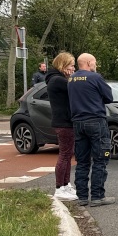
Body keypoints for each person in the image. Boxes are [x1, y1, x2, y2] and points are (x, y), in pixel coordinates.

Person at [68, 53, 114, 207]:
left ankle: (81, 197)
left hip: (78, 123)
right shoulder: (95, 78)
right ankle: (97, 196)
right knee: (100, 159)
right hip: (96, 122)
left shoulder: (71, 80)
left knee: (82, 161)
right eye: (94, 62)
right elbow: (109, 97)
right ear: (88, 63)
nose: (96, 65)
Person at [46, 51, 77, 201]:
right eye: (71, 66)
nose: (73, 69)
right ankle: (59, 188)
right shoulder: (58, 80)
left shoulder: (55, 79)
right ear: (63, 65)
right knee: (65, 155)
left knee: (67, 154)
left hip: (65, 121)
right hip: (64, 122)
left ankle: (66, 184)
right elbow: (76, 88)